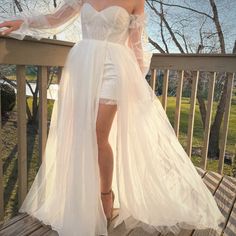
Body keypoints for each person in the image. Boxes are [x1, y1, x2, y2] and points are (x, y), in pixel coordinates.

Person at [0, 0, 225, 236]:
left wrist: (138, 82)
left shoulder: (135, 1)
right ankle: (81, 198)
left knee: (98, 135)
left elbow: (136, 45)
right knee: (80, 133)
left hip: (115, 70)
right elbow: (56, 19)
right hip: (82, 67)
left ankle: (105, 195)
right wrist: (21, 23)